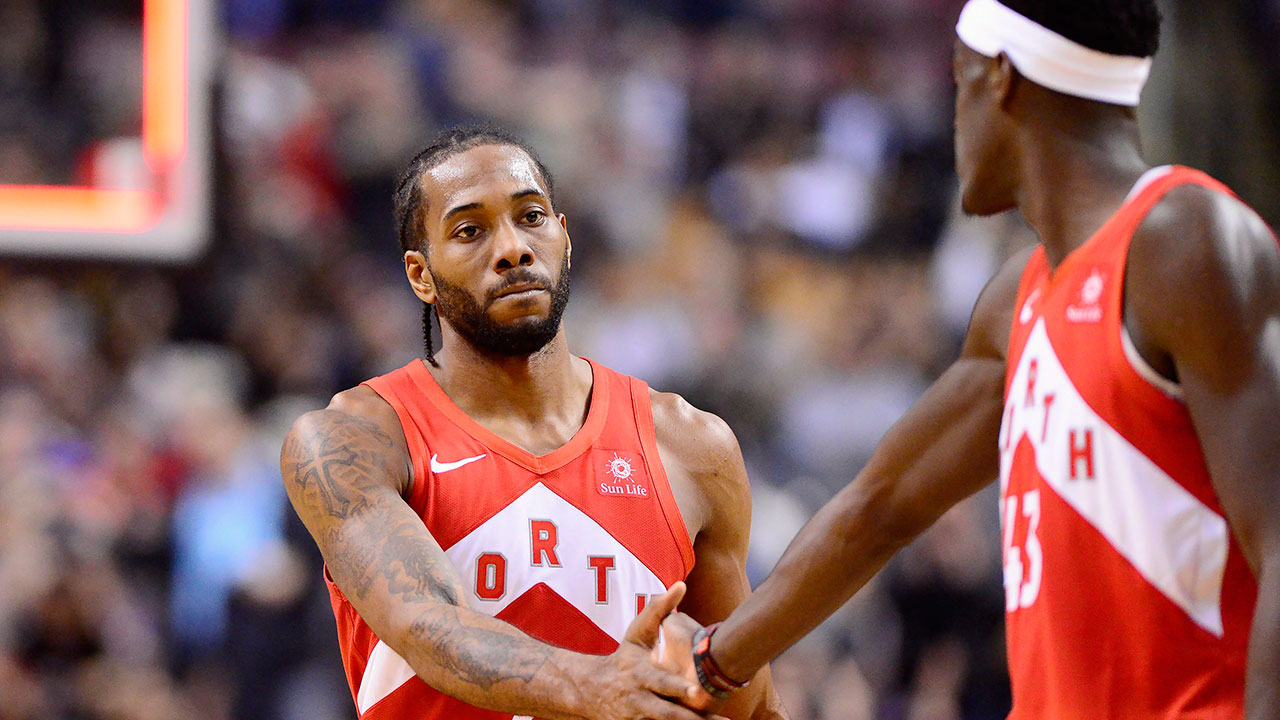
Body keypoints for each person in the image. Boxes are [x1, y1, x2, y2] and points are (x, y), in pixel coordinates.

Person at [671, 1, 1280, 718]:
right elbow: (878, 508)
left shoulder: (1186, 239)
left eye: (958, 82)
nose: (954, 117)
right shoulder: (1015, 302)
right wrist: (709, 662)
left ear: (1001, 79)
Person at [280, 127, 786, 720]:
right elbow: (428, 628)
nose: (512, 248)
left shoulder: (690, 444)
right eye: (470, 230)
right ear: (421, 275)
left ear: (564, 239)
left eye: (531, 217)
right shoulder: (354, 440)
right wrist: (595, 688)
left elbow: (748, 706)